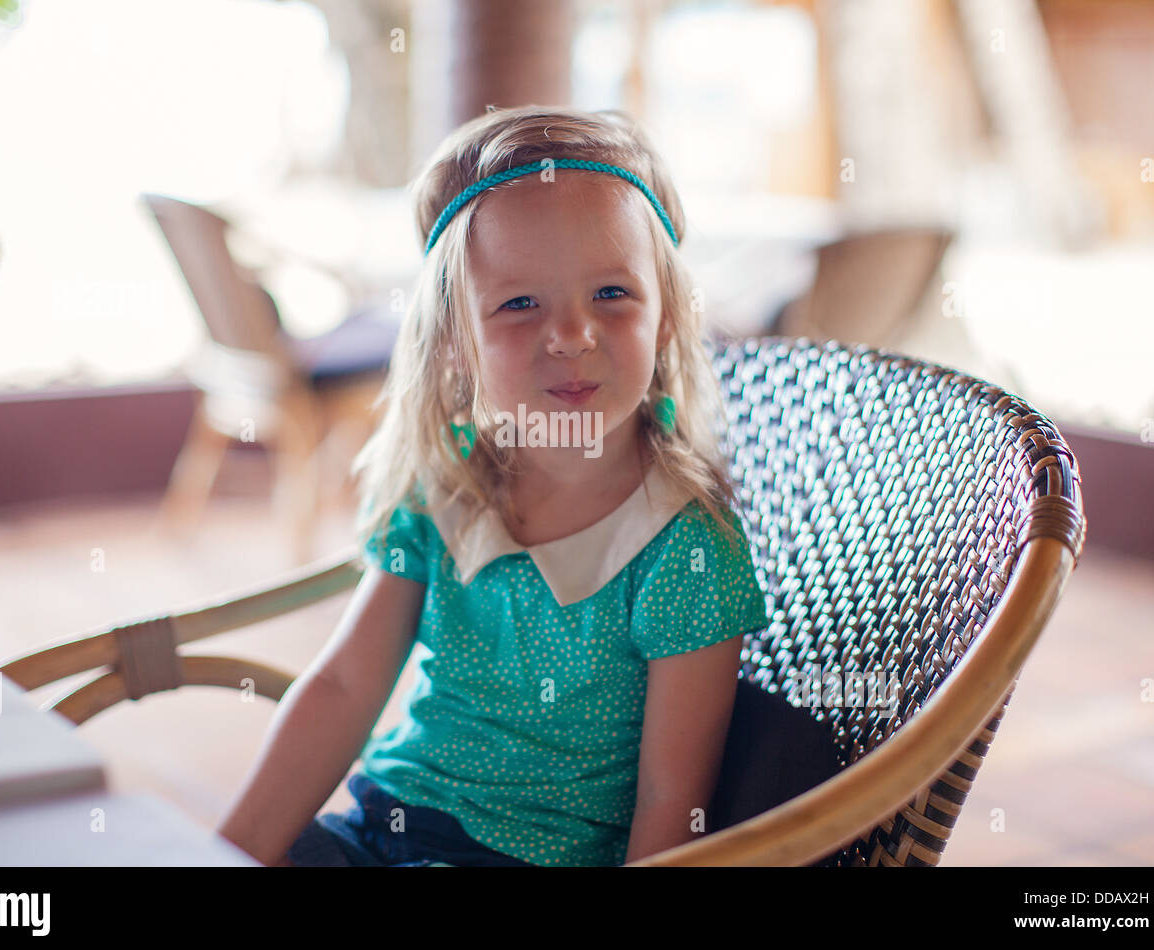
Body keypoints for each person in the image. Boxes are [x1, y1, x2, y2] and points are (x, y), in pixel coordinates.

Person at [216, 105, 768, 868]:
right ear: (453, 342)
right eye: (519, 303)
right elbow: (345, 686)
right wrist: (229, 852)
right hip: (382, 828)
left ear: (667, 316)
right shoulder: (443, 487)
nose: (572, 334)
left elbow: (675, 801)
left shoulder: (683, 543)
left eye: (611, 292)